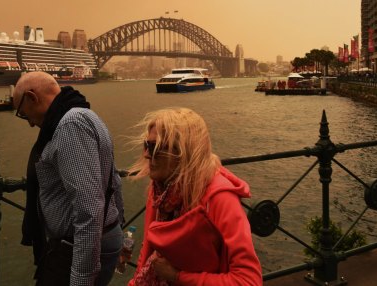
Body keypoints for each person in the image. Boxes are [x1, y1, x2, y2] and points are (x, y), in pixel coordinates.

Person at [127, 107, 263, 285]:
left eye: (156, 147)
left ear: (184, 151)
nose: (146, 154)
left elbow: (249, 281)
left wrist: (178, 277)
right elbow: (148, 250)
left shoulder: (219, 198)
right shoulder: (160, 190)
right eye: (147, 145)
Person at [13, 71, 124, 286]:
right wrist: (119, 225)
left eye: (23, 114)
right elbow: (114, 180)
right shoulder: (84, 114)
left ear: (32, 97)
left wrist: (82, 279)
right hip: (96, 239)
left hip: (78, 248)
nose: (28, 123)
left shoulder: (69, 125)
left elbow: (89, 209)